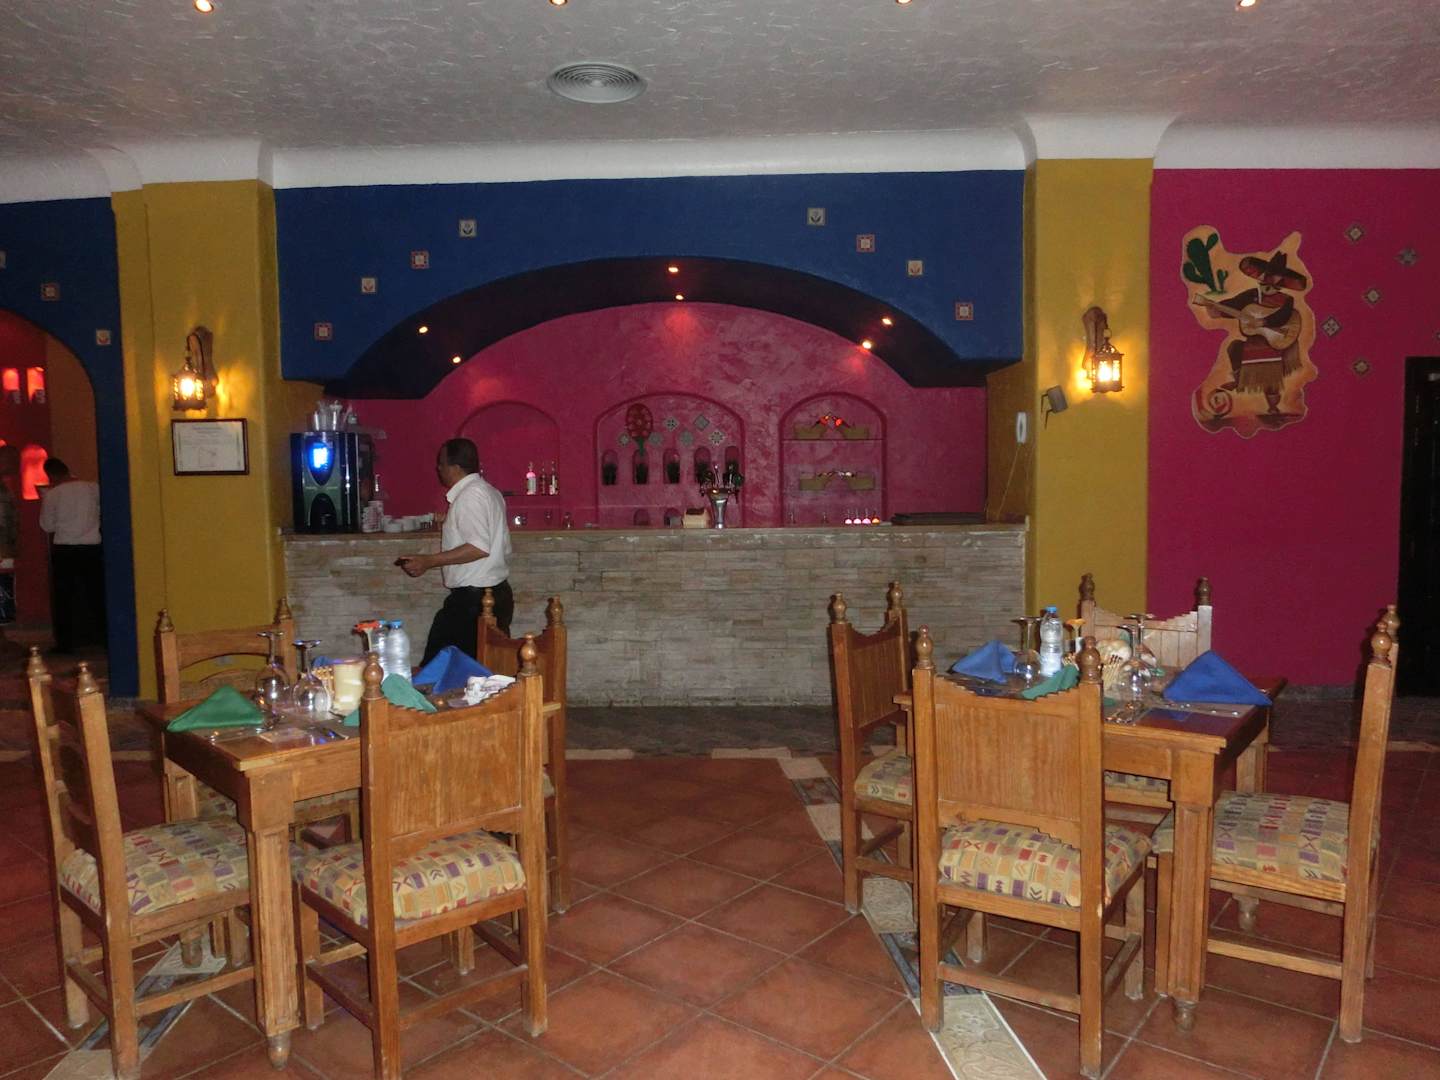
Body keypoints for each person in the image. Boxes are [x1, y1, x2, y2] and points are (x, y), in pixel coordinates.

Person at [397, 438, 514, 664]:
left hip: (474, 600)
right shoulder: (490, 492)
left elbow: (478, 548)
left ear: (456, 467)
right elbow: (503, 547)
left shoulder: (470, 496)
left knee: (440, 668)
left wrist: (429, 561)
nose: (438, 468)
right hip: (495, 593)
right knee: (478, 670)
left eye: (441, 463)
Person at [38, 457, 106, 653]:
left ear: (51, 475)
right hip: (92, 548)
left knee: (65, 598)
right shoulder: (93, 488)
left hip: (65, 550)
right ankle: (101, 636)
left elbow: (47, 525)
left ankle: (66, 643)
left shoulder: (53, 494)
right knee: (96, 595)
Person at [0, 446, 19, 631]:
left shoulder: (4, 486)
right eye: (12, 461)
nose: (16, 465)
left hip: (5, 547)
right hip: (2, 549)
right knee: (3, 591)